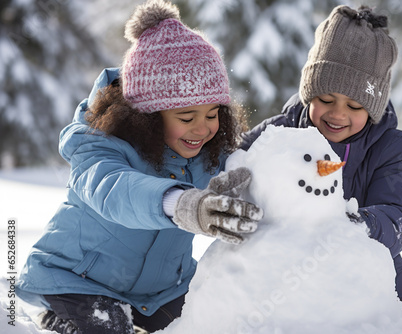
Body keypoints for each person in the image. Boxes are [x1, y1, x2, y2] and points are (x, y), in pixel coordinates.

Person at [16, 1, 262, 333]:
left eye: (213, 114)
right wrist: (182, 203)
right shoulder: (98, 148)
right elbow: (115, 189)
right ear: (146, 117)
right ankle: (56, 319)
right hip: (77, 280)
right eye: (187, 117)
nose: (203, 129)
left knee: (212, 322)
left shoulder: (209, 151)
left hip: (161, 291)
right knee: (111, 327)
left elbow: (256, 157)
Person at [240, 5, 402, 306]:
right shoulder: (280, 132)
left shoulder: (389, 147)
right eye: (326, 99)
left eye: (355, 106)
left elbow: (400, 216)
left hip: (362, 252)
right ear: (309, 93)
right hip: (282, 252)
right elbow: (234, 165)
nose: (338, 113)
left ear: (373, 107)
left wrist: (359, 224)